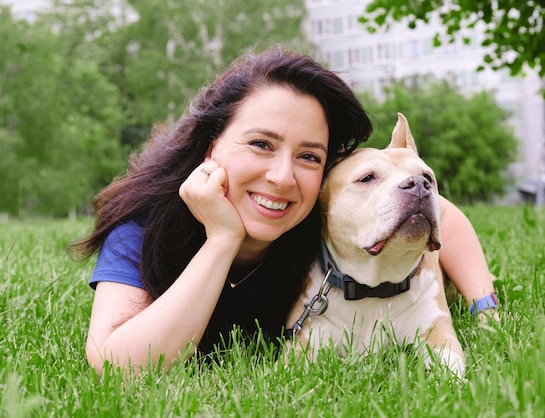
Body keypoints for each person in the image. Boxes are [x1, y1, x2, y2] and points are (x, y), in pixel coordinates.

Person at [69, 45, 497, 374]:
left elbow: (436, 211)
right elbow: (117, 367)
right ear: (209, 145)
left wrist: (483, 305)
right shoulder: (147, 224)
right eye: (261, 144)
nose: (282, 176)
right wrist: (222, 239)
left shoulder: (322, 216)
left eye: (309, 156)